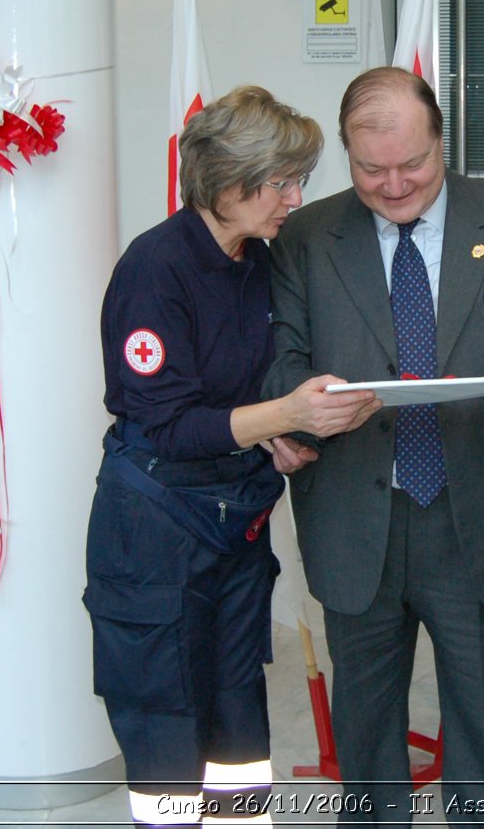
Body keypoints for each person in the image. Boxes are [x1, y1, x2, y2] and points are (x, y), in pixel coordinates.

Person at [264, 67, 484, 824]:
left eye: (412, 166)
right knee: (365, 724)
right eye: (370, 170)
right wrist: (301, 408)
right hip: (356, 517)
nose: (393, 186)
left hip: (479, 509)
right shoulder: (306, 238)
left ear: (441, 143)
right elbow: (278, 356)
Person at [84, 86, 380, 828]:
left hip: (234, 521)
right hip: (155, 529)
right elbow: (172, 425)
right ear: (223, 182)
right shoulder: (154, 270)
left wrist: (276, 434)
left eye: (298, 179)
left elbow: (247, 390)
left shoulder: (257, 262)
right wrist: (284, 414)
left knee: (237, 713)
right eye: (279, 181)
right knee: (165, 719)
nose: (294, 197)